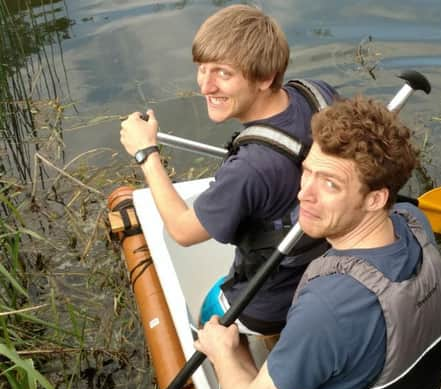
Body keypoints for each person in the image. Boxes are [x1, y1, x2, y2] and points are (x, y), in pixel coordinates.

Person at [194, 96, 441, 389]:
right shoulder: (413, 221)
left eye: (330, 183)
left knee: (232, 354)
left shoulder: (327, 309)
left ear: (376, 199)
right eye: (307, 172)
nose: (304, 193)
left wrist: (223, 352)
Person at [120, 5, 338, 335]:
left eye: (223, 73)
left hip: (274, 300)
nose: (205, 86)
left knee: (206, 319)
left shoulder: (249, 169)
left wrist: (146, 153)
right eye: (202, 69)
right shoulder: (317, 93)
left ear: (265, 77)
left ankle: (244, 363)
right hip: (331, 269)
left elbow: (182, 231)